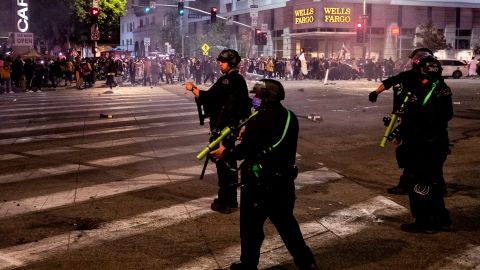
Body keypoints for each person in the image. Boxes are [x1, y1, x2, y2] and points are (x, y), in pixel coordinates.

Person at [210, 79, 318, 270]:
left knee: (251, 229)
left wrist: (224, 153)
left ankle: (248, 265)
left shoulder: (258, 119)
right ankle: (306, 262)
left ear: (267, 97)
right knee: (287, 226)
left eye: (257, 96)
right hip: (283, 182)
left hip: (258, 184)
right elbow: (272, 139)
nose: (254, 99)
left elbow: (246, 150)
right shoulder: (290, 117)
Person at [391, 55, 453, 233]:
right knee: (433, 182)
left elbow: (417, 117)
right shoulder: (440, 87)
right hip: (436, 144)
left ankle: (425, 222)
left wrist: (405, 132)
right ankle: (441, 218)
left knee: (419, 183)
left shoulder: (425, 90)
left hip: (423, 146)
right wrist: (401, 132)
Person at [185, 49, 251, 214]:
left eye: (222, 61)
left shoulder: (227, 81)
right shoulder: (240, 81)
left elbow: (207, 97)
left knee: (224, 166)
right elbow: (245, 107)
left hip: (222, 130)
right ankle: (232, 200)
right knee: (230, 163)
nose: (219, 63)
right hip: (232, 128)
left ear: (231, 63)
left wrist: (192, 88)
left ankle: (225, 201)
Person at [368, 48, 441, 195]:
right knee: (420, 155)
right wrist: (376, 92)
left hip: (423, 125)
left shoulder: (436, 84)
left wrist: (401, 131)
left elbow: (442, 112)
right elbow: (390, 82)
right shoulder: (411, 76)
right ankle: (435, 185)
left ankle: (412, 185)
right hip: (418, 122)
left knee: (414, 154)